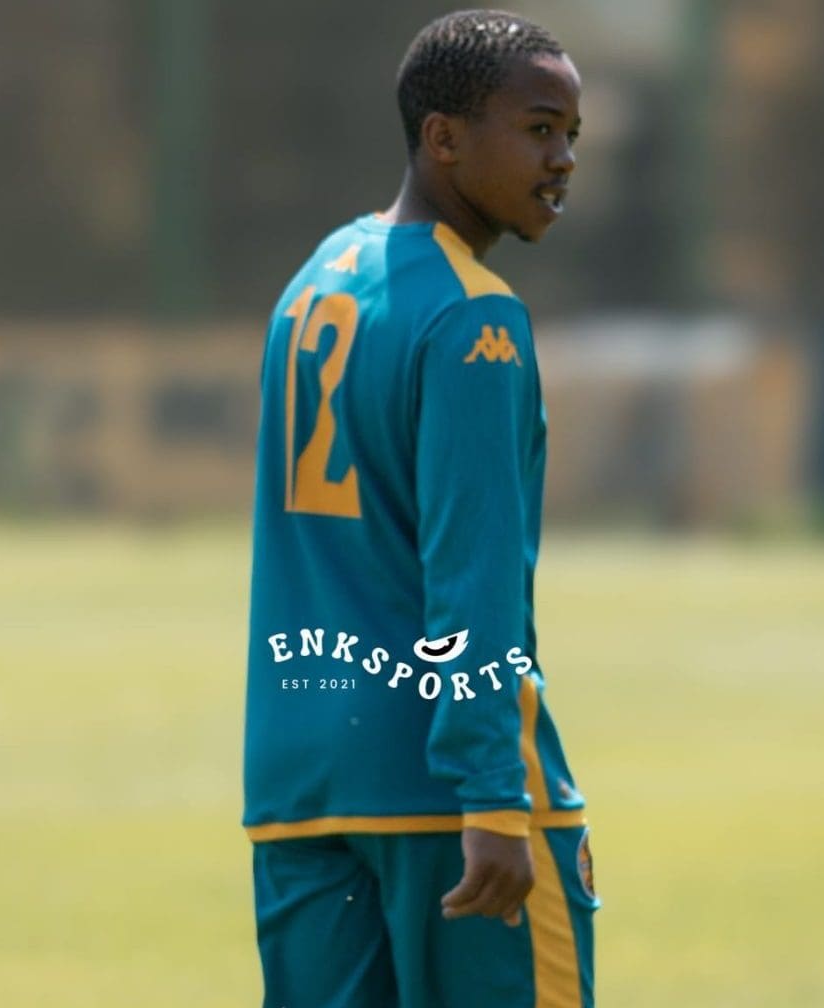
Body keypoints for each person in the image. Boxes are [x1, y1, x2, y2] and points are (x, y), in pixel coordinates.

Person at [243, 10, 596, 1007]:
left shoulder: (317, 281)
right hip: (443, 794)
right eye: (539, 129)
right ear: (444, 137)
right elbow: (471, 572)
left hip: (301, 781)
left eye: (573, 134)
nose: (564, 160)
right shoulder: (474, 315)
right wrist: (492, 793)